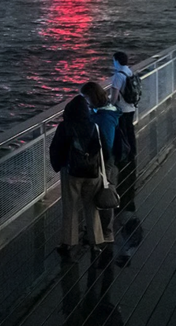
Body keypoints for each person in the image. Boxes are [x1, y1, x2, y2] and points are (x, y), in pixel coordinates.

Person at [49, 92, 104, 259]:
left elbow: (55, 149)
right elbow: (104, 148)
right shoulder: (94, 126)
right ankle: (96, 243)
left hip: (71, 172)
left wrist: (58, 166)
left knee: (70, 207)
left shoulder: (65, 127)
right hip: (92, 172)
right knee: (91, 207)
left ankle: (69, 242)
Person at [82, 81, 119, 252]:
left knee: (105, 194)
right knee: (101, 192)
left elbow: (106, 143)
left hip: (104, 161)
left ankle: (106, 233)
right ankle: (99, 231)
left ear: (93, 97)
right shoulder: (105, 113)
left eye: (86, 98)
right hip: (103, 159)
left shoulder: (104, 118)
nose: (85, 101)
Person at [110, 52, 137, 163]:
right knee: (130, 131)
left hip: (122, 109)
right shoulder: (130, 72)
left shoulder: (118, 76)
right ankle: (133, 152)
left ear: (117, 61)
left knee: (122, 133)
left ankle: (123, 155)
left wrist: (109, 105)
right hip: (131, 107)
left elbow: (114, 97)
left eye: (113, 61)